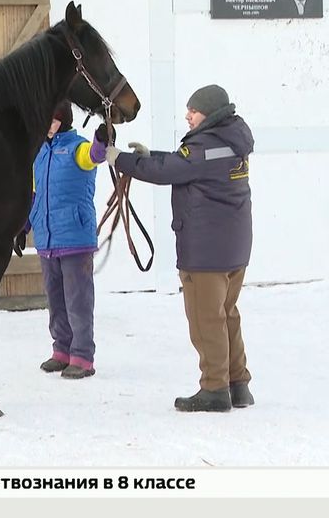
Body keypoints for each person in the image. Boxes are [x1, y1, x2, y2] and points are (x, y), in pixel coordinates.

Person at [105, 85, 255, 412]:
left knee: (206, 320)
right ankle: (237, 384)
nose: (188, 115)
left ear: (211, 114)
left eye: (194, 111)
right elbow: (182, 164)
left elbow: (170, 171)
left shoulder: (206, 146)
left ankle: (214, 390)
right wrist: (148, 156)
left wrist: (121, 160)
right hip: (233, 248)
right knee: (227, 314)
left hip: (206, 252)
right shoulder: (229, 140)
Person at [17, 100, 111, 379]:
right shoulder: (38, 153)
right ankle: (62, 349)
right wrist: (23, 227)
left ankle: (82, 356)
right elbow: (34, 196)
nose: (47, 124)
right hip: (46, 239)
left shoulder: (77, 147)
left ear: (63, 120)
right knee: (55, 299)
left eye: (52, 119)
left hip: (74, 236)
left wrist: (101, 139)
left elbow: (94, 155)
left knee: (78, 300)